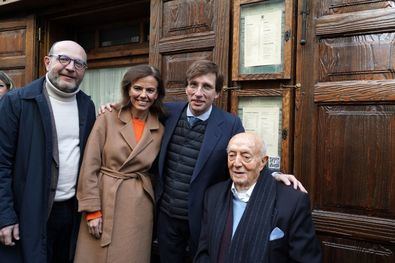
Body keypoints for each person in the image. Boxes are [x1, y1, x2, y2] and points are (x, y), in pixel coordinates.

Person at [100, 60, 306, 261]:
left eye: (206, 87)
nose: (198, 93)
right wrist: (115, 107)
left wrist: (274, 175)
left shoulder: (229, 123)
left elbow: (245, 154)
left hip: (205, 218)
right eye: (193, 85)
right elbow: (138, 107)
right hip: (166, 216)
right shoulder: (167, 112)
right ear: (186, 88)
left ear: (217, 93)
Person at [0, 40, 96, 263]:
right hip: (27, 212)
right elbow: (1, 163)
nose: (71, 67)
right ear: (47, 62)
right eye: (64, 59)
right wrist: (5, 216)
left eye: (79, 64)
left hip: (71, 213)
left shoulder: (87, 105)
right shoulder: (17, 102)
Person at [74, 65, 165, 263]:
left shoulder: (160, 128)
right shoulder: (107, 118)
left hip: (138, 204)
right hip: (104, 199)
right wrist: (92, 210)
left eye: (150, 90)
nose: (143, 95)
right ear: (128, 90)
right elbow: (89, 165)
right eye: (137, 88)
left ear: (157, 94)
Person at [194, 132, 322, 263]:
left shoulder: (292, 202)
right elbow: (204, 252)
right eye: (232, 155)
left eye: (246, 157)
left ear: (263, 162)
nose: (236, 163)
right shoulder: (213, 195)